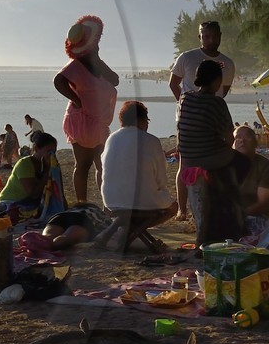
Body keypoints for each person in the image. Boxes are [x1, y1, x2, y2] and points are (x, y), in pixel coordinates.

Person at [175, 59, 249, 245]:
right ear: (216, 81)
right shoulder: (216, 103)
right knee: (245, 163)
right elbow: (229, 138)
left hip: (188, 159)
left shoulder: (185, 98)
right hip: (210, 159)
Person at [53, 15, 118, 204]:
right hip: (81, 120)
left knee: (101, 164)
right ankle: (82, 203)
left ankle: (106, 204)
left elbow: (115, 80)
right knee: (83, 164)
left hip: (98, 121)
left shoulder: (96, 63)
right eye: (96, 43)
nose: (98, 46)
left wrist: (97, 59)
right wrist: (75, 98)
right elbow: (58, 81)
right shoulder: (75, 65)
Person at [96, 101, 177, 251]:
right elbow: (162, 181)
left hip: (111, 201)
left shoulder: (111, 139)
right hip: (139, 203)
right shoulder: (151, 140)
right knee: (173, 206)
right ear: (141, 120)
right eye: (146, 121)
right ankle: (130, 234)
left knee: (128, 208)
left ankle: (115, 232)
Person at [0, 131, 61, 221]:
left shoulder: (45, 165)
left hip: (29, 204)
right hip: (10, 204)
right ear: (36, 149)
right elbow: (33, 194)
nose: (51, 155)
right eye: (48, 151)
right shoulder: (25, 164)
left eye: (53, 152)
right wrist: (47, 172)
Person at [170, 20, 235, 99]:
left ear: (220, 36)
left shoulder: (228, 63)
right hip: (188, 109)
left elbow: (223, 91)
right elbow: (173, 84)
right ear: (200, 37)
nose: (211, 40)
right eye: (207, 37)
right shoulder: (186, 57)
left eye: (215, 36)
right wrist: (184, 104)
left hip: (213, 109)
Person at [233, 126, 269, 222]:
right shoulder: (226, 165)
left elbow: (265, 204)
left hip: (255, 217)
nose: (242, 140)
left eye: (247, 137)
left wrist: (239, 215)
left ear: (255, 143)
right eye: (238, 137)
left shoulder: (266, 167)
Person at [40, 203, 112, 250]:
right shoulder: (99, 213)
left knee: (46, 238)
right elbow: (108, 228)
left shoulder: (73, 208)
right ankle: (54, 244)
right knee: (64, 239)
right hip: (83, 219)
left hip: (60, 216)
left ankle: (38, 243)